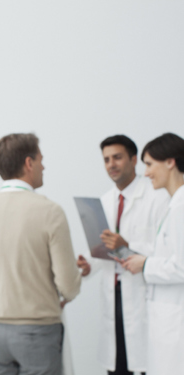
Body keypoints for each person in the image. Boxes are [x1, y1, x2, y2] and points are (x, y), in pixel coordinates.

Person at [0, 133, 81, 375]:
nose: (44, 166)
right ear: (29, 163)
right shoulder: (50, 212)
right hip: (37, 332)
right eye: (41, 159)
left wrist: (0, 285)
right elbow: (69, 286)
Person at [76, 135, 168, 375]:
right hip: (114, 294)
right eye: (106, 159)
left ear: (134, 159)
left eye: (117, 157)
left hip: (143, 294)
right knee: (117, 366)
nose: (111, 164)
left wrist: (128, 244)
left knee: (145, 364)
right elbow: (104, 248)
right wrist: (87, 265)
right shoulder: (106, 201)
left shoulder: (157, 196)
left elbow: (166, 250)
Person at [121, 133, 184, 375]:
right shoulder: (173, 205)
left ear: (170, 162)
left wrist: (145, 265)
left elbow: (181, 266)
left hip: (175, 320)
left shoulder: (181, 208)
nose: (145, 173)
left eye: (149, 164)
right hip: (165, 317)